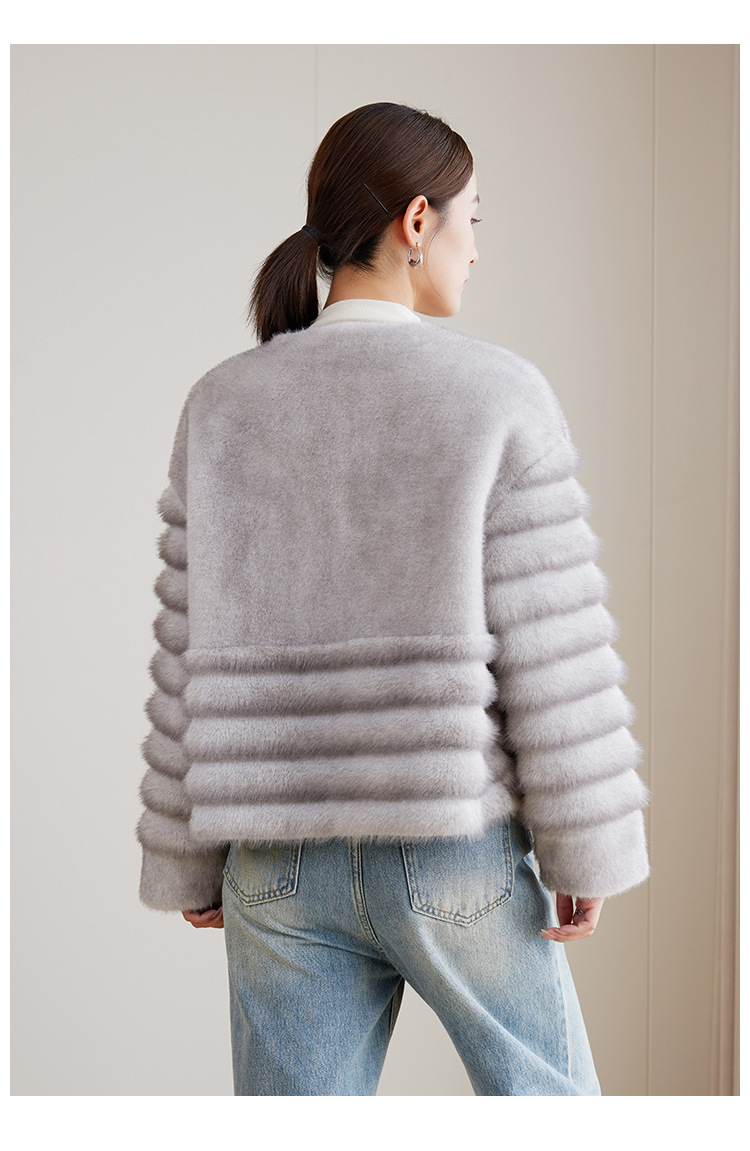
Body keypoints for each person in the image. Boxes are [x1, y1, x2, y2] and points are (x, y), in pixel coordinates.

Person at [136, 102, 650, 1096]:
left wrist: (187, 856)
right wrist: (584, 846)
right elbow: (555, 651)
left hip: (276, 863)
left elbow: (183, 648)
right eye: (472, 220)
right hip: (451, 851)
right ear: (418, 221)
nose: (475, 248)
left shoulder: (222, 403)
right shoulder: (499, 394)